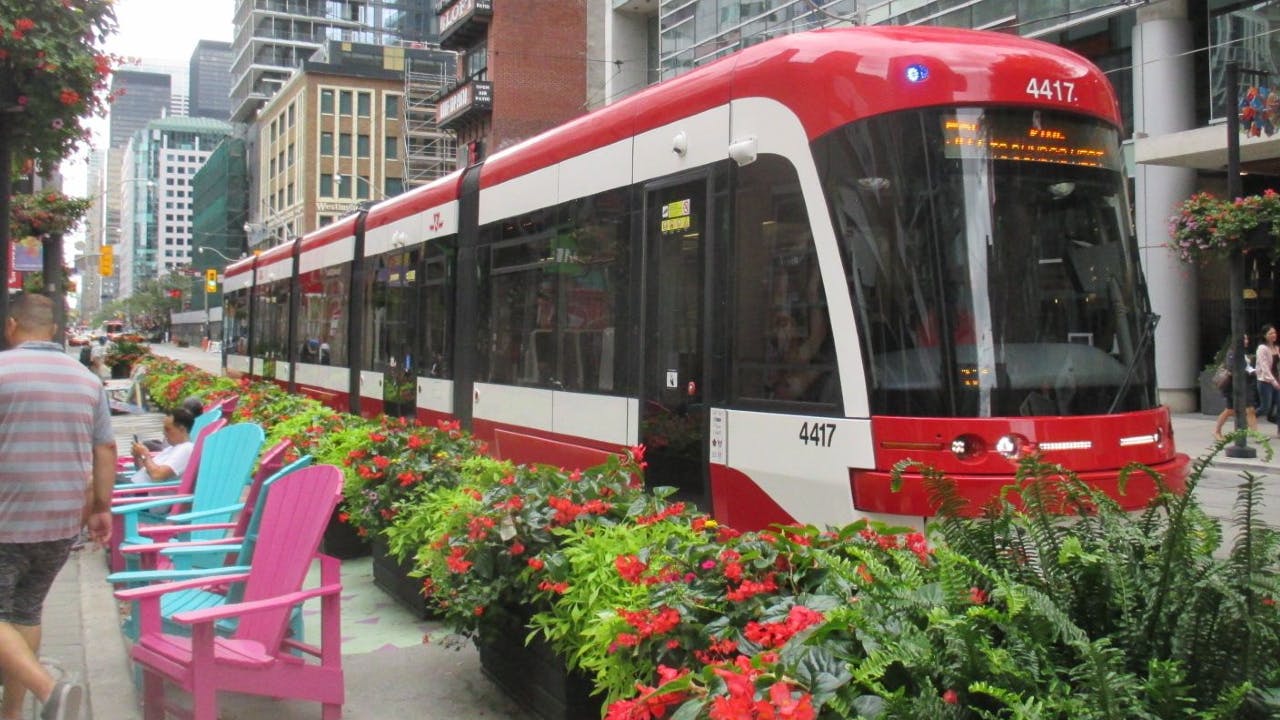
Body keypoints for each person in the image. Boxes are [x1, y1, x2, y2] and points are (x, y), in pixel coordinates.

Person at [0, 294, 115, 720]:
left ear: (12, 325)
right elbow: (105, 447)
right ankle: (13, 713)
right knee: (23, 612)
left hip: (7, 518)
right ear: (52, 330)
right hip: (62, 521)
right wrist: (101, 507)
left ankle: (49, 690)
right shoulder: (86, 380)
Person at [127, 407, 195, 484]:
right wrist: (138, 456)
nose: (164, 433)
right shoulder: (171, 448)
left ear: (182, 429)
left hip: (140, 492)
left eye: (168, 429)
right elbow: (145, 471)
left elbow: (157, 475)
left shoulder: (186, 449)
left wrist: (145, 455)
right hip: (135, 488)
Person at [1214, 332, 1259, 441]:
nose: (1246, 341)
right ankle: (1216, 431)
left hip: (1243, 386)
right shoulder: (1232, 353)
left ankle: (1256, 434)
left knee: (1249, 409)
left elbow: (1246, 368)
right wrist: (1249, 372)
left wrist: (1253, 371)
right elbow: (1232, 368)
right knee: (1231, 410)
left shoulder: (1242, 353)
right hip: (1232, 387)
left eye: (1247, 339)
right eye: (1244, 339)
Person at [1257, 324, 1280, 424]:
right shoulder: (1262, 348)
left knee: (1279, 404)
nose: (1273, 335)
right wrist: (1273, 381)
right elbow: (1264, 367)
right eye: (1270, 333)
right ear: (1264, 335)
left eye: (1274, 332)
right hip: (1265, 381)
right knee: (1265, 407)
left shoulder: (1277, 348)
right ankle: (1249, 417)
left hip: (1277, 379)